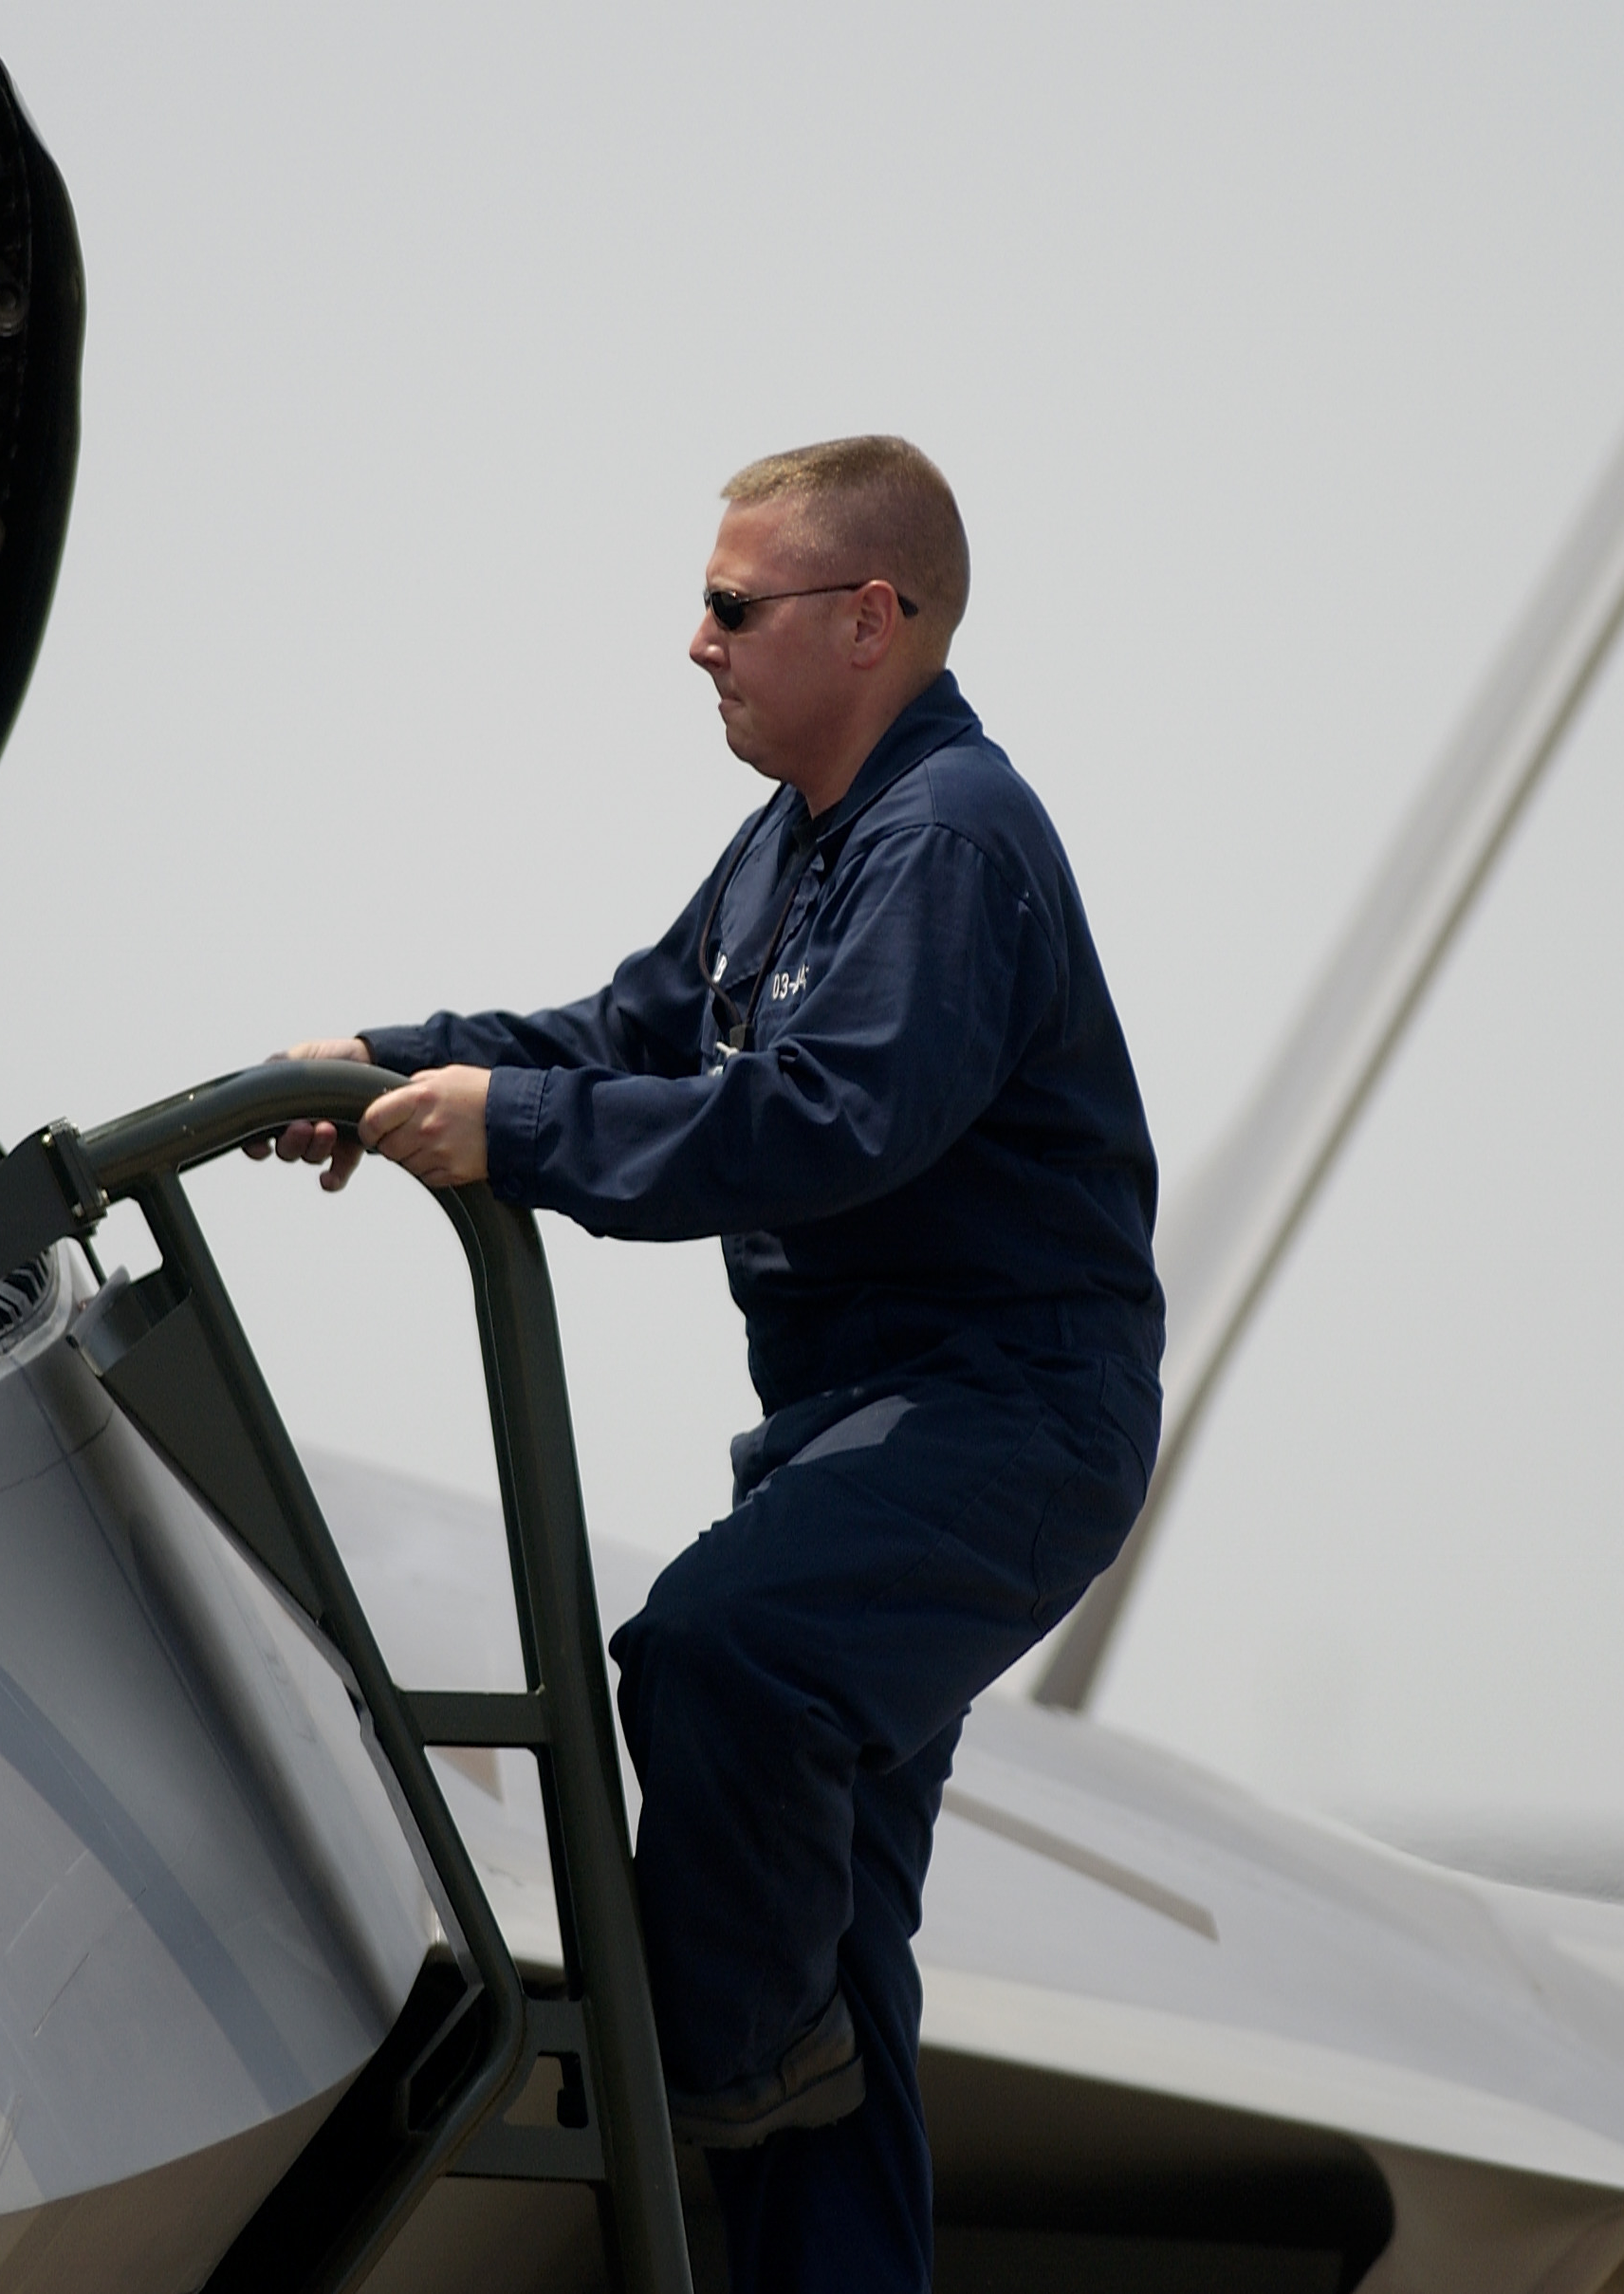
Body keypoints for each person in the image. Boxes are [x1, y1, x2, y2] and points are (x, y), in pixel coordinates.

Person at [255, 435, 1162, 2292]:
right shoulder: (796, 846)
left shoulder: (946, 839)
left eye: (732, 607)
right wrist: (388, 1063)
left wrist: (513, 1135)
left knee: (717, 1653)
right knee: (834, 1963)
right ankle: (786, 2119)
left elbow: (827, 1122)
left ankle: (714, 2082)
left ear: (868, 619)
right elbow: (631, 1031)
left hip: (999, 1423)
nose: (697, 643)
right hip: (863, 1434)